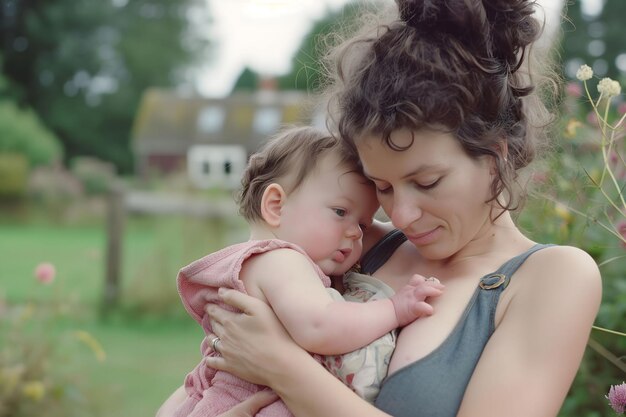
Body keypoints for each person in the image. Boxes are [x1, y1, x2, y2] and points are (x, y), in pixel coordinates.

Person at [159, 0, 602, 416]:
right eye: (382, 186)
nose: (402, 215)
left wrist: (282, 366)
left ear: (496, 156)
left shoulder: (551, 278)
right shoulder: (350, 242)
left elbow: (262, 354)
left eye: (427, 182)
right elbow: (205, 380)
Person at [170, 126, 444, 417]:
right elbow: (321, 326)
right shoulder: (281, 260)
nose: (355, 233)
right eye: (340, 212)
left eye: (363, 225)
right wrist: (395, 308)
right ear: (276, 205)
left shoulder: (258, 263)